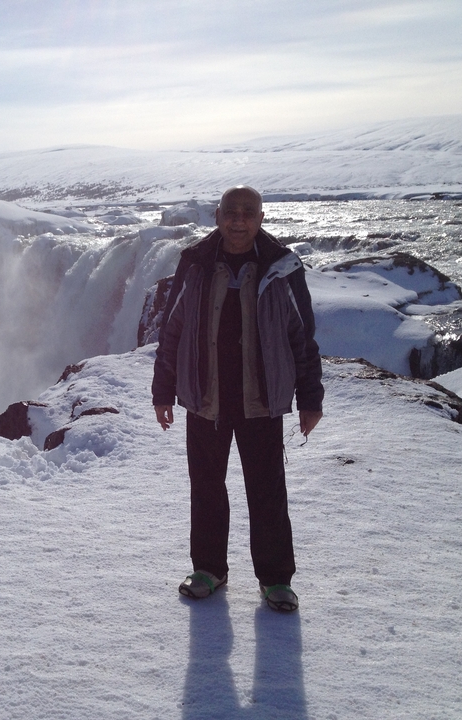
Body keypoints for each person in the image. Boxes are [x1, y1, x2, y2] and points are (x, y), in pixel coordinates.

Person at [151, 185, 324, 612]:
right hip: (204, 397)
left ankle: (276, 579)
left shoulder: (282, 267)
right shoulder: (195, 263)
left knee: (267, 490)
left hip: (260, 400)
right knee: (206, 487)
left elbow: (302, 336)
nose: (239, 220)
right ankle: (208, 569)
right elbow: (172, 330)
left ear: (261, 218)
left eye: (248, 212)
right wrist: (163, 390)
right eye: (231, 212)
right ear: (217, 216)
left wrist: (310, 398)